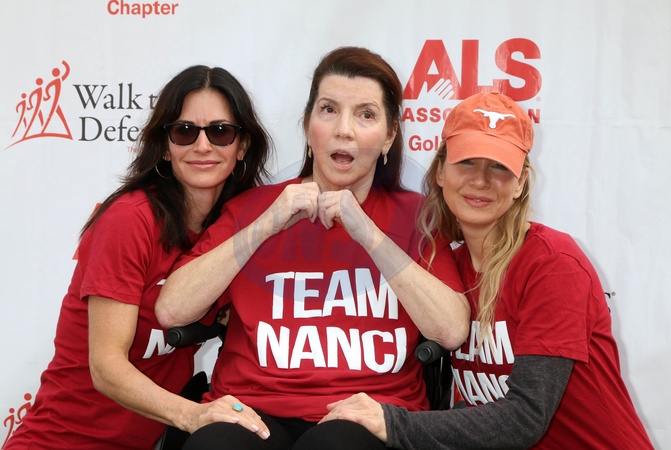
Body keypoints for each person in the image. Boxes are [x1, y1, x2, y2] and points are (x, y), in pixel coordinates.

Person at [155, 46, 470, 450]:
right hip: (252, 411)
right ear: (307, 126)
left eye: (366, 114)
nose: (344, 130)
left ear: (389, 135)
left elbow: (451, 330)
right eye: (328, 110)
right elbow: (173, 311)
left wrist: (369, 234)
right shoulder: (251, 209)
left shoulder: (418, 217)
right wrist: (265, 225)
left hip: (365, 413)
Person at [320, 91, 654, 449]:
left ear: (520, 182)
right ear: (441, 171)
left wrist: (392, 422)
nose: (480, 181)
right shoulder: (449, 267)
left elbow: (525, 417)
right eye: (467, 162)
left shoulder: (553, 263)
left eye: (498, 166)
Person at [5, 65, 273, 449]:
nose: (203, 146)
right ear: (164, 145)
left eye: (220, 132)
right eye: (184, 131)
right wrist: (194, 415)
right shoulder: (130, 219)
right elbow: (106, 367)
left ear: (242, 146)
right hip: (59, 441)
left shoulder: (237, 232)